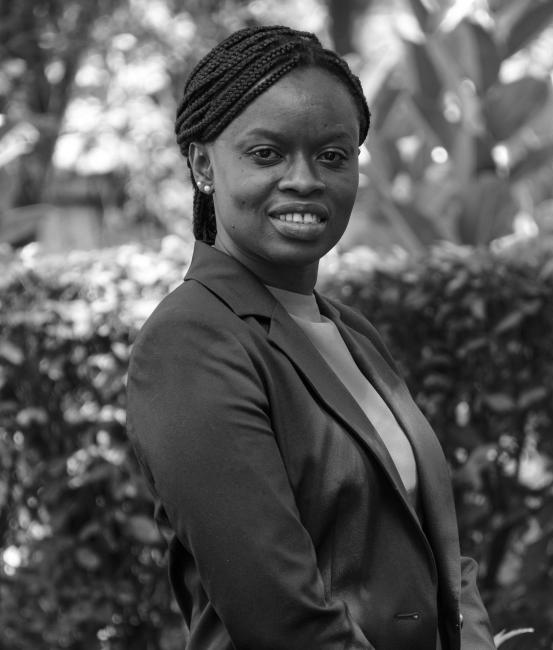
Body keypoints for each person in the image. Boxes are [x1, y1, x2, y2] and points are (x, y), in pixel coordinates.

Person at [127, 25, 497, 650]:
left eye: (333, 155)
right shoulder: (190, 342)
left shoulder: (351, 332)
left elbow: (440, 551)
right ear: (202, 164)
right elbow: (282, 619)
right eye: (266, 153)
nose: (305, 180)